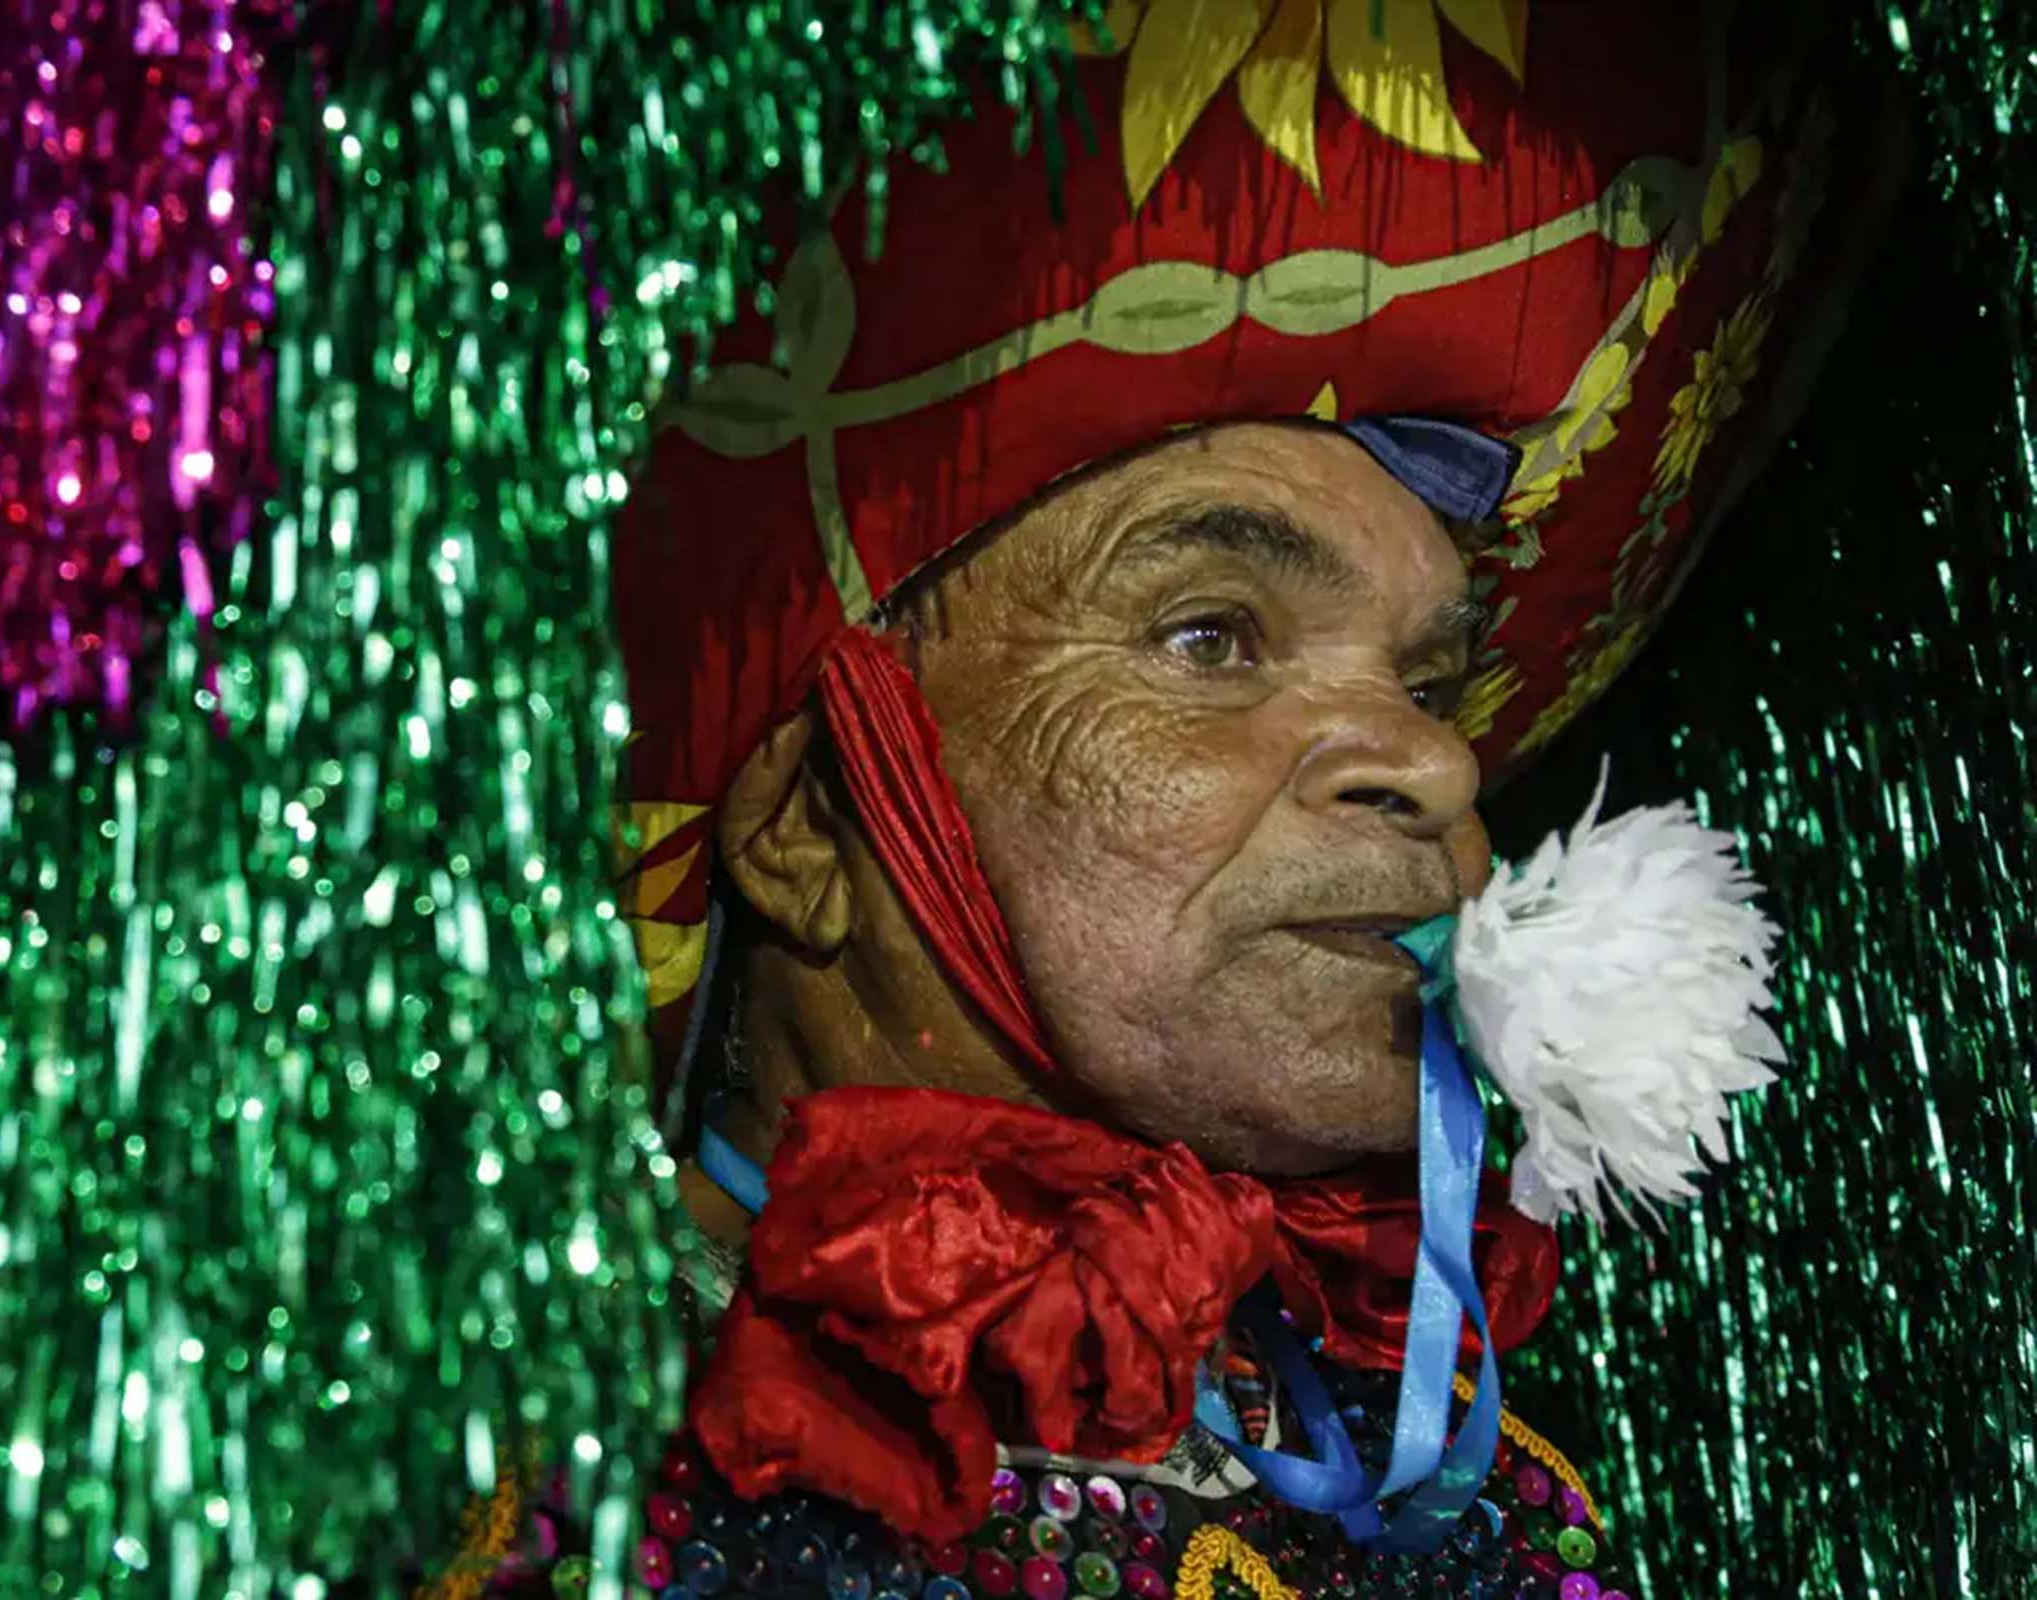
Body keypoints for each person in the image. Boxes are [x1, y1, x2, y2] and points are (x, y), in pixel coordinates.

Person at [422, 4, 1883, 1597]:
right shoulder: (515, 1485)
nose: (1440, 764)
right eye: (1210, 636)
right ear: (804, 823)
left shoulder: (1476, 1497)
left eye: (1428, 686)